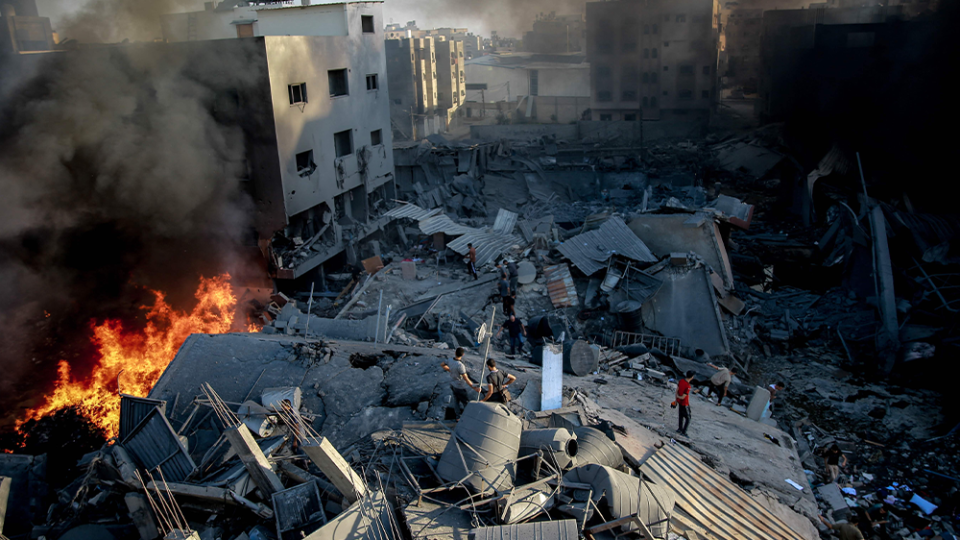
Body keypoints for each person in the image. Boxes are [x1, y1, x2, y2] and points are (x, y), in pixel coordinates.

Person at [441, 347, 478, 416]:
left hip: (452, 384)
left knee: (456, 401)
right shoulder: (460, 365)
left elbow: (442, 364)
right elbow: (466, 378)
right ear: (463, 354)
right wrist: (474, 387)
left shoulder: (450, 360)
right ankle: (469, 416)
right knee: (466, 402)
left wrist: (450, 370)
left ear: (455, 353)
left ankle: (458, 416)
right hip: (460, 386)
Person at [675, 370, 695, 436]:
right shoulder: (688, 386)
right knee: (688, 418)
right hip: (685, 403)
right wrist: (679, 397)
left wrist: (676, 399)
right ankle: (684, 431)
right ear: (692, 377)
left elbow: (677, 390)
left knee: (681, 416)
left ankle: (680, 428)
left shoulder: (681, 381)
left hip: (679, 402)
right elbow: (683, 397)